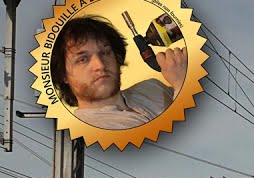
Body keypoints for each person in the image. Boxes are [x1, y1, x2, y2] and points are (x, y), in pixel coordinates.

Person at [51, 15, 187, 130]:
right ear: (63, 75)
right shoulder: (91, 128)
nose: (100, 65)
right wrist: (181, 83)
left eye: (105, 53)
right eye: (83, 59)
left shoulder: (153, 87)